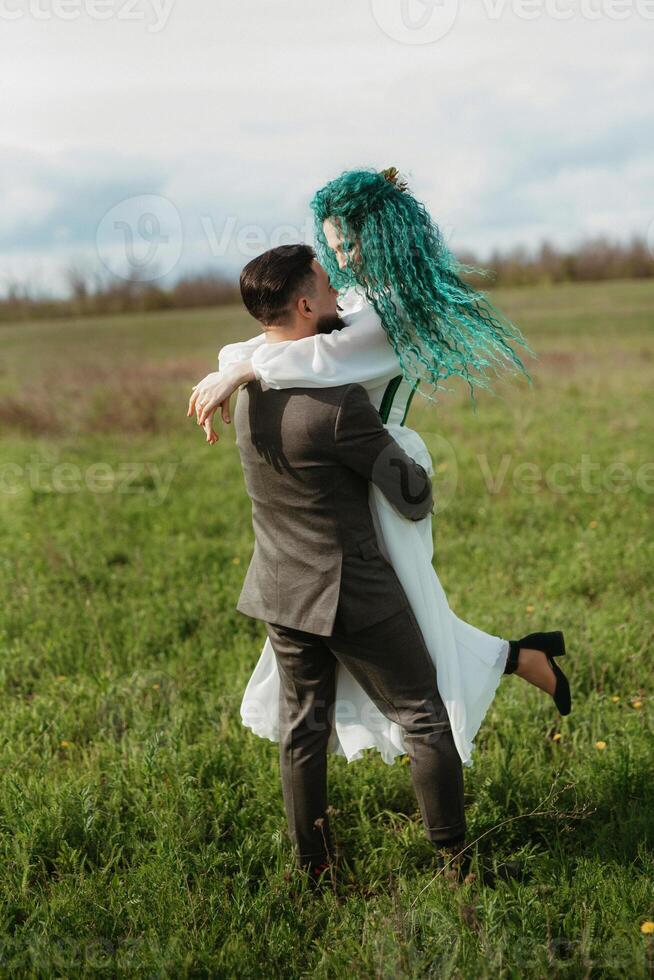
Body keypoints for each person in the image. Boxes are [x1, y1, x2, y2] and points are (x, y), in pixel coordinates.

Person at [187, 168, 571, 778]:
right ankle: (523, 658)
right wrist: (234, 363)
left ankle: (484, 695)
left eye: (352, 244)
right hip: (339, 473)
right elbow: (271, 340)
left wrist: (240, 371)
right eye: (333, 245)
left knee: (413, 635)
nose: (340, 257)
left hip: (384, 475)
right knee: (409, 627)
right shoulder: (358, 301)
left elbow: (313, 356)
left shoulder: (393, 311)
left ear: (387, 234)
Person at [228, 243, 472, 884]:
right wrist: (410, 453)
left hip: (280, 590)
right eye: (328, 287)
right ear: (305, 305)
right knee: (424, 715)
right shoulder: (339, 407)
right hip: (353, 589)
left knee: (301, 730)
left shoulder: (246, 396)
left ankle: (315, 868)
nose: (340, 297)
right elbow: (412, 500)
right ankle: (457, 864)